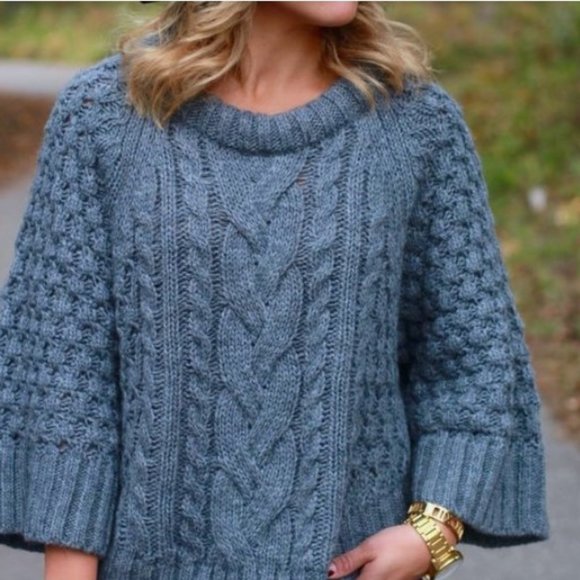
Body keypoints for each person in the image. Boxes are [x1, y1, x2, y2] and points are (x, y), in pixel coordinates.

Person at [0, 2, 550, 579]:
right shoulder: (105, 115)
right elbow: (63, 378)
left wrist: (434, 530)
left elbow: (473, 353)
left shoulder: (415, 126)